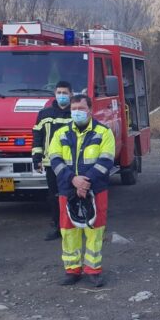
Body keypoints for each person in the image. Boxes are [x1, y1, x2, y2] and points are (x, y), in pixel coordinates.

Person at [48, 94, 115, 287]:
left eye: (81, 108)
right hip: (67, 189)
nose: (77, 112)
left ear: (90, 109)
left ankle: (93, 270)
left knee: (95, 230)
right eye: (74, 108)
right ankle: (72, 270)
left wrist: (86, 182)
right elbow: (55, 160)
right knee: (68, 231)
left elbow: (106, 161)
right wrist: (73, 180)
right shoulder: (60, 133)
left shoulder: (103, 132)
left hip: (96, 190)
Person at [32, 81, 73, 241]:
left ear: (71, 94)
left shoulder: (75, 113)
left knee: (72, 194)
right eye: (59, 92)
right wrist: (37, 158)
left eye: (65, 92)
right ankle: (57, 226)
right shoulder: (45, 114)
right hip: (51, 164)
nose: (61, 95)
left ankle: (75, 224)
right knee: (54, 196)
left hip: (71, 163)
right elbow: (38, 136)